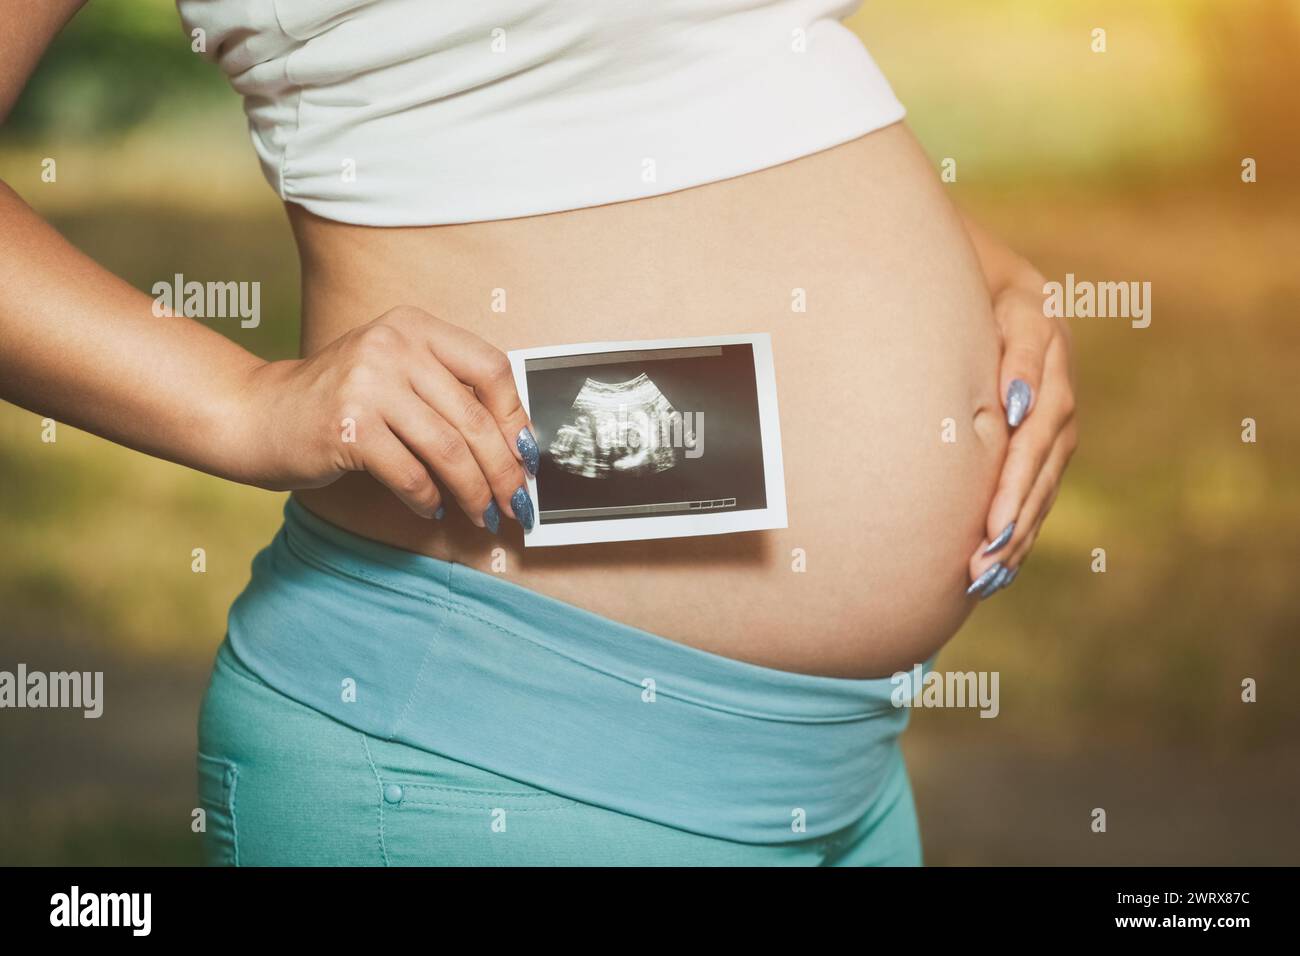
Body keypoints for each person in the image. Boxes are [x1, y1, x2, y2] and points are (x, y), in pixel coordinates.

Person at [0, 0, 1077, 865]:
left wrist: (973, 276)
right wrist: (244, 401)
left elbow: (705, 71)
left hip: (849, 775)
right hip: (486, 765)